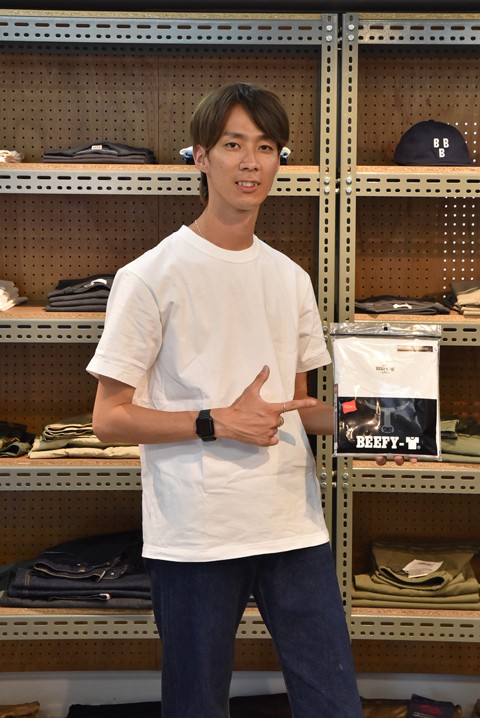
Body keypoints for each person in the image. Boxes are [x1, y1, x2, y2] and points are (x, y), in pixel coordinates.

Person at [87, 82, 364, 717]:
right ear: (201, 156)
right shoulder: (149, 276)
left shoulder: (290, 277)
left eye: (265, 147)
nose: (250, 162)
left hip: (291, 523)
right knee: (197, 703)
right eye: (233, 144)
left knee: (333, 701)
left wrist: (377, 428)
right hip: (197, 533)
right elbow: (109, 419)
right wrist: (218, 422)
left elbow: (297, 407)